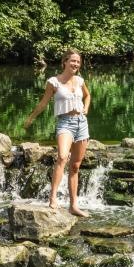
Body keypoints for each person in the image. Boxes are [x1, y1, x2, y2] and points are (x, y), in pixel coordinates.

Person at [21, 51, 92, 216]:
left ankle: (73, 205)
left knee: (75, 166)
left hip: (82, 124)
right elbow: (44, 103)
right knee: (62, 157)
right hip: (65, 123)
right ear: (65, 62)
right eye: (73, 61)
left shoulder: (80, 81)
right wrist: (30, 118)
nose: (75, 64)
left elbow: (88, 96)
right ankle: (52, 197)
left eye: (78, 62)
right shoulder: (53, 82)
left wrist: (86, 108)